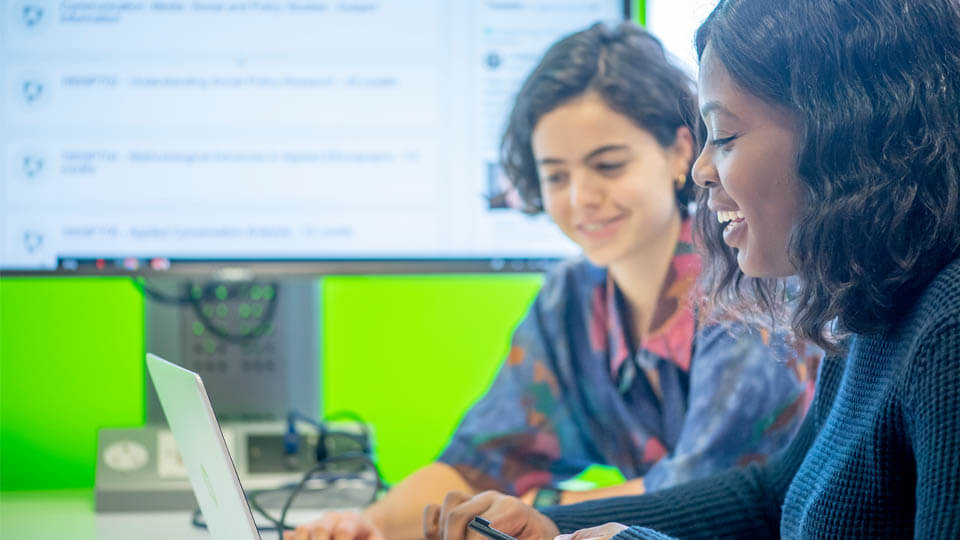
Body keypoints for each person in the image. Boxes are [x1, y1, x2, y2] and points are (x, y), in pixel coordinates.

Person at [423, 0, 960, 538]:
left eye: (723, 137)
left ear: (843, 135)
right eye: (556, 175)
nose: (703, 170)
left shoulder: (947, 330)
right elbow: (769, 497)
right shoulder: (872, 306)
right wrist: (550, 524)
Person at [286, 21, 818, 540]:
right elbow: (477, 465)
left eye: (608, 166)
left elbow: (702, 492)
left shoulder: (748, 280)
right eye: (556, 175)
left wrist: (538, 512)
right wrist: (367, 525)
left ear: (681, 151)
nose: (580, 198)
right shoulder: (572, 301)